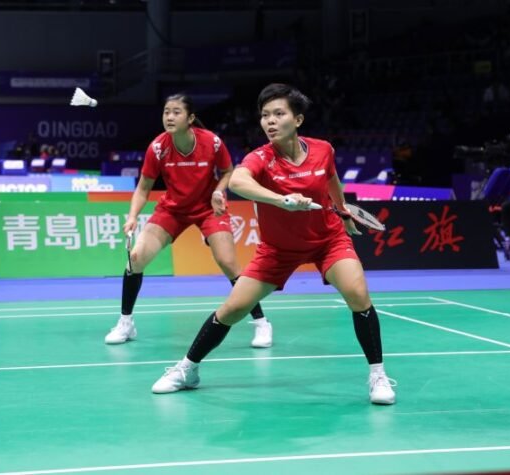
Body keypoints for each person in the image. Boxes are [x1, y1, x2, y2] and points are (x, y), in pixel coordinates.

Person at [151, 83, 396, 405]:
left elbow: (331, 179)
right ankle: (187, 369)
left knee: (358, 293)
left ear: (298, 119)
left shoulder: (323, 149)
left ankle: (378, 375)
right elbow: (239, 181)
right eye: (265, 115)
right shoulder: (260, 158)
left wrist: (342, 211)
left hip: (327, 240)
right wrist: (281, 200)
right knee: (233, 309)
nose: (270, 121)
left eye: (279, 114)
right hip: (278, 249)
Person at [104, 93, 272, 347]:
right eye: (166, 112)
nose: (169, 117)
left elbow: (228, 171)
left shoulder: (211, 142)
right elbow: (143, 187)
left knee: (228, 263)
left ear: (190, 118)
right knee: (136, 258)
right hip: (172, 210)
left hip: (208, 208)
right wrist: (132, 216)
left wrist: (219, 191)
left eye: (176, 112)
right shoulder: (157, 148)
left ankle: (261, 322)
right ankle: (126, 323)